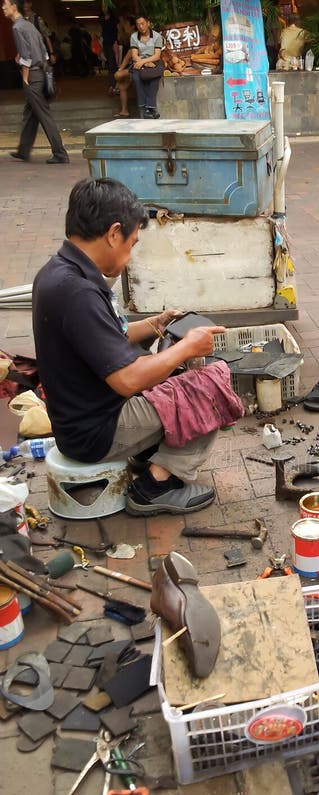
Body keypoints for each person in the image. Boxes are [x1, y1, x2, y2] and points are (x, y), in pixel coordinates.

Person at [31, 177, 242, 517]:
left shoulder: (59, 272)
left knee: (174, 370)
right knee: (213, 382)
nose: (129, 256)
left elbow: (102, 339)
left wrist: (157, 324)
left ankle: (149, 456)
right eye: (131, 243)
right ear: (113, 233)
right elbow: (127, 380)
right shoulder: (78, 292)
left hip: (79, 420)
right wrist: (187, 346)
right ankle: (157, 485)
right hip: (96, 431)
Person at [3, 0, 69, 165]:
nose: (2, 8)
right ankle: (23, 151)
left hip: (32, 77)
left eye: (5, 5)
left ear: (13, 7)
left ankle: (60, 153)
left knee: (44, 115)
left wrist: (25, 78)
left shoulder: (17, 27)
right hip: (41, 72)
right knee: (30, 114)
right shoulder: (29, 25)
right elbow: (44, 51)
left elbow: (26, 56)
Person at [129, 14, 164, 119]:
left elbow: (157, 55)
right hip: (139, 62)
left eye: (143, 24)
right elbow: (134, 55)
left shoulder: (157, 36)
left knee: (154, 78)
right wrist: (144, 63)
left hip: (154, 61)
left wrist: (147, 61)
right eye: (138, 24)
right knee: (136, 78)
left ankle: (150, 108)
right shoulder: (134, 37)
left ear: (148, 23)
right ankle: (147, 108)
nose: (141, 26)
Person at [22, 0, 54, 66]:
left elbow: (47, 37)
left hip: (39, 51)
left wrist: (52, 53)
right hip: (26, 53)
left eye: (26, 3)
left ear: (30, 4)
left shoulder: (37, 19)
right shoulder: (21, 19)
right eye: (23, 3)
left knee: (42, 73)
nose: (25, 5)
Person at [100, 6, 119, 94]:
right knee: (110, 65)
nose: (103, 8)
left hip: (113, 43)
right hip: (106, 43)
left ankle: (113, 85)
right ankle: (113, 85)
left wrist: (115, 41)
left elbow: (115, 31)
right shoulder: (101, 18)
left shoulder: (114, 18)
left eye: (105, 6)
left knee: (113, 65)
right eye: (102, 7)